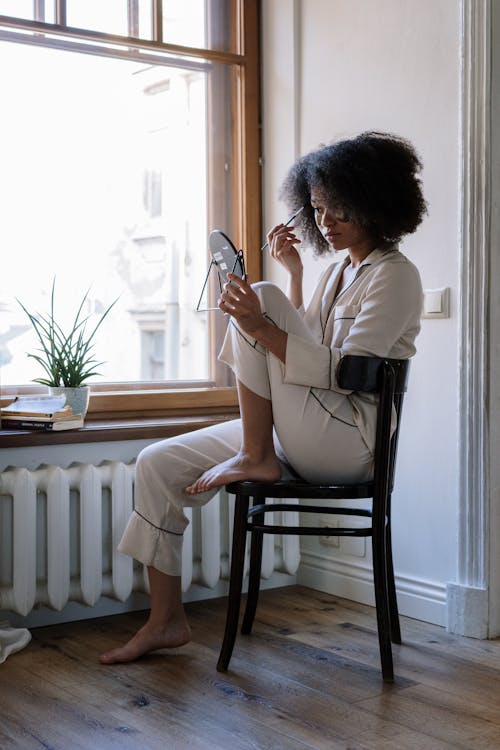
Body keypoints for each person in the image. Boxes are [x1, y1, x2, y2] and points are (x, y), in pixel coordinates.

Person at [99, 130, 426, 665]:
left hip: (346, 441)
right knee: (156, 462)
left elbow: (346, 374)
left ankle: (256, 454)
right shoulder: (337, 272)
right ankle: (166, 621)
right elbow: (306, 343)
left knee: (262, 299)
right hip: (300, 429)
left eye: (341, 210)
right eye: (320, 209)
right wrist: (295, 278)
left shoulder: (396, 277)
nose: (327, 223)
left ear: (377, 203)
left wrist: (263, 319)